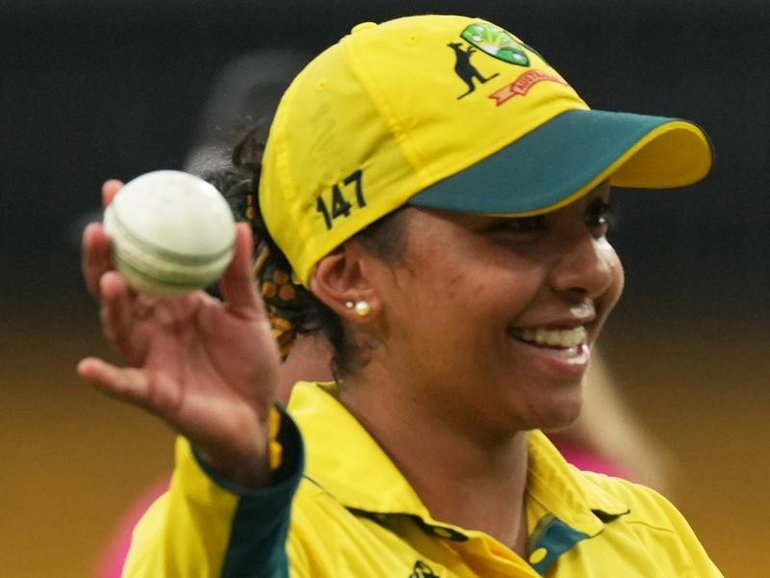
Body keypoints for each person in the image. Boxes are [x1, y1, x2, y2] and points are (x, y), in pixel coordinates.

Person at [79, 14, 720, 577]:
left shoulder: (647, 539)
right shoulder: (265, 539)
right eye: (519, 224)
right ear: (349, 276)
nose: (591, 268)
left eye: (597, 218)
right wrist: (239, 490)